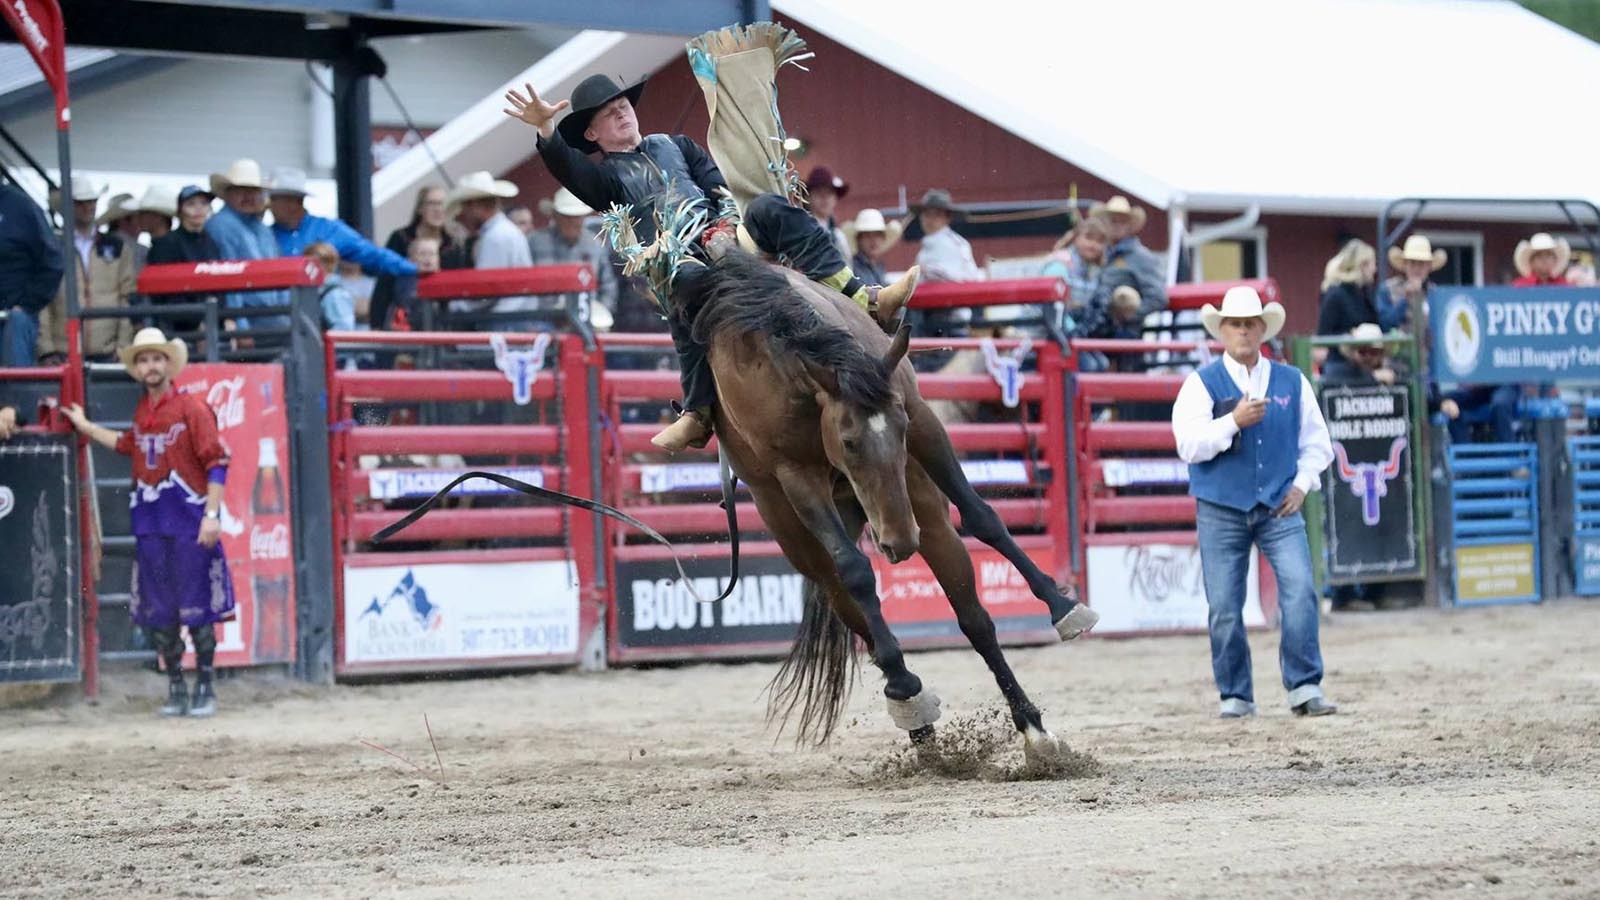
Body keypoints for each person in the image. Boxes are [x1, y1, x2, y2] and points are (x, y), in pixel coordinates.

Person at [503, 73, 917, 451]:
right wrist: (546, 129)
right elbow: (571, 170)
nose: (622, 112)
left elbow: (716, 183)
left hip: (725, 233)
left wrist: (726, 223)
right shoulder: (606, 180)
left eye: (623, 105)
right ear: (592, 133)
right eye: (609, 113)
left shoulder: (676, 145)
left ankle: (860, 296)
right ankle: (697, 409)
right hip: (675, 257)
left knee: (771, 208)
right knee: (683, 282)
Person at [1171, 286, 1337, 719]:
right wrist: (1233, 421)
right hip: (1221, 507)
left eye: (1249, 324)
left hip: (1278, 503)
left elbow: (1317, 444)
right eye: (1235, 324)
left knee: (1300, 591)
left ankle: (1304, 685)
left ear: (1262, 329)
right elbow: (1188, 444)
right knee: (1225, 607)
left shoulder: (1292, 381)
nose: (1243, 331)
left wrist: (1301, 484)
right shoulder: (1201, 384)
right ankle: (1236, 694)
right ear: (1222, 330)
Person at [60, 328, 233, 718]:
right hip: (153, 526)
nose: (150, 366)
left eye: (156, 359)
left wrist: (211, 515)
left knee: (198, 609)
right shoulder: (144, 412)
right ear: (137, 369)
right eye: (143, 360)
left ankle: (205, 686)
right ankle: (177, 687)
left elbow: (217, 460)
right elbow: (128, 445)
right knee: (161, 612)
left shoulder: (192, 408)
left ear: (168, 365)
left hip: (188, 523)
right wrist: (86, 426)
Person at [266, 167, 417, 280]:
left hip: (319, 307)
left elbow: (372, 254)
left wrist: (414, 269)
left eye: (274, 199)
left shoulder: (328, 229)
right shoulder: (264, 235)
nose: (269, 205)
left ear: (297, 202)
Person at [204, 159, 289, 334]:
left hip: (271, 312)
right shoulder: (221, 225)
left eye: (254, 191)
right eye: (241, 191)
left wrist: (285, 310)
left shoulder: (262, 228)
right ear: (228, 194)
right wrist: (240, 323)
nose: (249, 197)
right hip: (247, 315)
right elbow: (228, 275)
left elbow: (278, 269)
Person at [370, 185, 471, 331]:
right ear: (420, 208)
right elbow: (384, 283)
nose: (438, 209)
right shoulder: (400, 238)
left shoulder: (455, 244)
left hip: (444, 321)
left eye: (442, 204)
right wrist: (377, 324)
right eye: (432, 204)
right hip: (405, 319)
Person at [448, 171, 541, 323]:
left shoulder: (495, 237)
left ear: (475, 205)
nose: (464, 213)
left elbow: (485, 289)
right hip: (515, 316)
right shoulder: (502, 231)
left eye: (466, 206)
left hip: (506, 319)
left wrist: (457, 305)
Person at [0, 177, 65, 366]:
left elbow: (53, 261)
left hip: (12, 321)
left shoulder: (21, 206)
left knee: (16, 380)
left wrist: (26, 305)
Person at [529, 188, 618, 325]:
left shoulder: (594, 244)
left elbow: (608, 285)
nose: (572, 222)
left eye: (577, 217)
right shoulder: (536, 242)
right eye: (567, 216)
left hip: (587, 319)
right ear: (556, 217)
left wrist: (601, 313)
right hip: (544, 319)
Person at [147, 186, 224, 338]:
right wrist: (196, 323)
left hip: (210, 322)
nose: (198, 209)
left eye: (204, 203)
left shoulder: (211, 243)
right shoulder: (166, 244)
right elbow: (164, 293)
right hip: (177, 328)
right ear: (180, 211)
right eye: (191, 204)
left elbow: (220, 284)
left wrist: (224, 318)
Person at [1091, 195, 1167, 314]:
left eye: (1122, 221)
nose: (1117, 225)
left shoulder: (1142, 258)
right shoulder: (1100, 254)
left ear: (1130, 226)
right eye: (1113, 221)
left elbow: (1157, 298)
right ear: (1104, 223)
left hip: (1122, 325)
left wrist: (1127, 317)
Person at [1315, 239, 1379, 373]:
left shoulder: (1366, 295)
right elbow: (1323, 335)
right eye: (1373, 264)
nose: (1375, 269)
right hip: (1339, 365)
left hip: (1365, 364)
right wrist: (1351, 337)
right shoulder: (1336, 294)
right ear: (1362, 265)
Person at [1042, 215, 1110, 311]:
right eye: (1088, 238)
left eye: (1099, 241)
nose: (1093, 245)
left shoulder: (1098, 270)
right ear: (1076, 238)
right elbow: (1051, 307)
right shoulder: (1059, 263)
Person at [913, 188, 981, 282]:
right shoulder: (925, 248)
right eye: (926, 214)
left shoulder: (956, 244)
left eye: (937, 214)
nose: (930, 219)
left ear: (947, 218)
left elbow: (968, 278)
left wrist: (926, 270)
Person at [304, 242, 356, 331]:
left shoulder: (335, 294)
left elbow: (344, 329)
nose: (307, 268)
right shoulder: (313, 292)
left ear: (327, 264)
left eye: (312, 263)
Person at [844, 207, 902, 287]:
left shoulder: (879, 266)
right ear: (858, 239)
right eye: (867, 235)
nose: (873, 240)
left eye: (877, 235)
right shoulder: (852, 266)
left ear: (883, 238)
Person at [803, 165, 851, 261]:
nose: (824, 198)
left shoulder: (838, 235)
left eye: (829, 193)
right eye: (818, 193)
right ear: (807, 197)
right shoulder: (802, 230)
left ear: (835, 198)